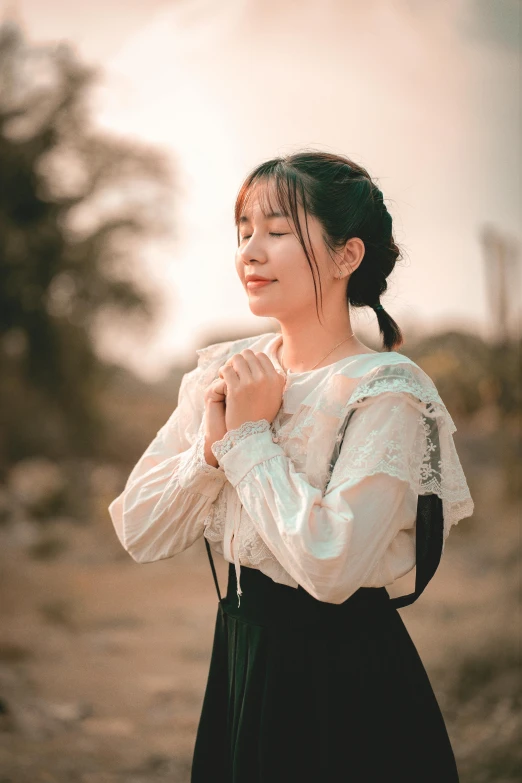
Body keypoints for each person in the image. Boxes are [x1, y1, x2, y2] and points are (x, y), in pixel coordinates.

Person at [108, 151, 474, 782]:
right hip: (240, 661)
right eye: (244, 231)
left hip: (341, 684)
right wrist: (210, 451)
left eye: (277, 232)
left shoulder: (386, 390)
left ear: (346, 256)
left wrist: (250, 438)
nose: (251, 251)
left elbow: (331, 567)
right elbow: (139, 530)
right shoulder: (226, 371)